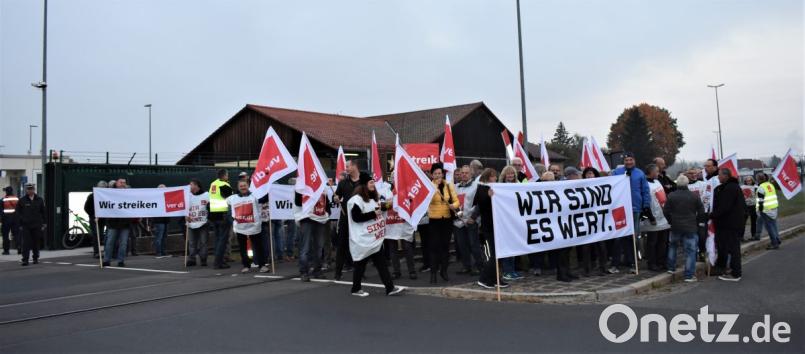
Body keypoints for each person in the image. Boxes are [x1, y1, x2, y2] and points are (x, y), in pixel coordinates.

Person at [347, 177, 404, 297]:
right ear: (364, 185)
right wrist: (373, 214)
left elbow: (379, 208)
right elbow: (356, 217)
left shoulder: (372, 199)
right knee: (360, 264)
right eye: (371, 182)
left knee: (381, 263)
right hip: (363, 239)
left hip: (374, 239)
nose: (373, 184)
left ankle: (390, 288)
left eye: (373, 182)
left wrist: (390, 204)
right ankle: (356, 289)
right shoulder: (356, 200)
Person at [611, 152, 651, 273]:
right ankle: (615, 264)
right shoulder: (617, 173)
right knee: (618, 237)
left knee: (633, 237)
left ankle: (633, 263)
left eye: (630, 160)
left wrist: (646, 206)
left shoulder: (640, 173)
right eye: (626, 160)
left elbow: (645, 191)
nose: (628, 162)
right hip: (620, 209)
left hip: (635, 209)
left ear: (634, 160)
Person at [663, 175, 705, 282]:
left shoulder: (671, 196)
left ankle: (671, 268)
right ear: (687, 184)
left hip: (675, 226)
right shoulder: (694, 196)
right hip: (690, 226)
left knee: (672, 246)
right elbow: (701, 211)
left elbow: (666, 211)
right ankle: (689, 275)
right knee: (690, 251)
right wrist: (699, 222)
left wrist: (670, 221)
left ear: (677, 184)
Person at [474, 168, 510, 289]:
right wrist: (487, 197)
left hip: (497, 225)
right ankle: (484, 278)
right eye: (493, 176)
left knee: (498, 254)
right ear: (488, 177)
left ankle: (495, 279)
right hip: (488, 227)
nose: (495, 178)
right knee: (492, 255)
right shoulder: (482, 189)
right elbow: (480, 204)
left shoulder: (495, 187)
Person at [427, 163, 460, 284]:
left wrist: (453, 205)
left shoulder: (448, 185)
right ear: (432, 175)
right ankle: (433, 272)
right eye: (435, 173)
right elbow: (427, 201)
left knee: (445, 246)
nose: (438, 175)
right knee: (434, 247)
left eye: (439, 173)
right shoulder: (429, 186)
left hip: (447, 219)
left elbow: (456, 201)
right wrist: (433, 188)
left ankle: (444, 270)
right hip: (434, 219)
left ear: (442, 174)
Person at [227, 179, 269, 273]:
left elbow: (265, 199)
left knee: (258, 246)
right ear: (238, 187)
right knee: (242, 247)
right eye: (241, 186)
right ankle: (246, 265)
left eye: (244, 185)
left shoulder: (255, 196)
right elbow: (228, 209)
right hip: (240, 227)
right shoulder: (232, 198)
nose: (243, 187)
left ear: (248, 186)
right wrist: (232, 219)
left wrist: (268, 189)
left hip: (254, 226)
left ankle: (262, 265)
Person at [710, 168, 745, 281]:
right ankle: (727, 268)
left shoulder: (730, 188)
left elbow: (724, 207)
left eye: (720, 175)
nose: (718, 177)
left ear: (726, 176)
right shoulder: (731, 187)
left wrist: (711, 215)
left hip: (731, 224)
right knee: (727, 247)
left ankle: (735, 273)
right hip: (731, 223)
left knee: (733, 248)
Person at [333, 160, 365, 280]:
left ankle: (360, 272)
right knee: (342, 245)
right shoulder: (342, 183)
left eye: (347, 166)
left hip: (360, 219)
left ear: (355, 167)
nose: (345, 168)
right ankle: (338, 272)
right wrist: (335, 198)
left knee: (360, 245)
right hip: (345, 218)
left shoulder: (364, 182)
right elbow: (336, 196)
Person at [294, 186, 331, 282]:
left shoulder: (322, 185)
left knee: (319, 246)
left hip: (320, 218)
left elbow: (327, 202)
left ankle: (317, 270)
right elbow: (298, 202)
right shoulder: (301, 184)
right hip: (307, 218)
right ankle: (304, 272)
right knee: (305, 247)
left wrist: (327, 212)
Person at [579, 167, 612, 275]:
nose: (589, 176)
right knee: (586, 247)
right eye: (587, 174)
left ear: (595, 175)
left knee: (601, 246)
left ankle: (603, 267)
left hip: (599, 220)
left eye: (591, 173)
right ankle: (587, 269)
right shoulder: (579, 187)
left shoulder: (600, 185)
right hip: (585, 220)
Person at [453, 165, 482, 275]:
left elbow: (479, 203)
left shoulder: (476, 186)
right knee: (462, 245)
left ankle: (480, 266)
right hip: (459, 221)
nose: (464, 174)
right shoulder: (455, 187)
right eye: (462, 173)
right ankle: (466, 266)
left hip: (471, 221)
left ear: (471, 174)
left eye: (466, 173)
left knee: (474, 245)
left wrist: (473, 218)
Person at [642, 164, 671, 272]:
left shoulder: (657, 181)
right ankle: (652, 263)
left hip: (663, 217)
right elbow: (645, 203)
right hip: (653, 218)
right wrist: (650, 217)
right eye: (657, 171)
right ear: (651, 172)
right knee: (652, 242)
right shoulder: (645, 185)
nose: (658, 173)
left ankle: (662, 261)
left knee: (663, 242)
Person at [103, 179, 132, 267]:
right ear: (116, 183)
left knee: (123, 243)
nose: (123, 184)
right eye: (121, 182)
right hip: (113, 222)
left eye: (124, 182)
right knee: (110, 242)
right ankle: (107, 259)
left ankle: (120, 260)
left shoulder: (129, 194)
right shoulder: (110, 193)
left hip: (125, 222)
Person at [209, 169, 233, 269]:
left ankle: (218, 260)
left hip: (214, 215)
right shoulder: (224, 185)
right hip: (223, 215)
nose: (228, 177)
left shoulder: (213, 184)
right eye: (227, 175)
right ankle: (219, 262)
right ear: (224, 176)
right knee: (223, 241)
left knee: (217, 240)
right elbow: (231, 200)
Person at [16, 183, 46, 266]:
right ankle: (25, 260)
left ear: (34, 190)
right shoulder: (22, 200)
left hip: (37, 224)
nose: (30, 190)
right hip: (26, 225)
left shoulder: (39, 199)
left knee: (36, 242)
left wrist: (44, 223)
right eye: (28, 189)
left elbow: (43, 212)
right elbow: (18, 213)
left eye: (31, 189)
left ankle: (35, 258)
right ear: (26, 190)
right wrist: (20, 224)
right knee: (26, 243)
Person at [186, 179, 209, 267]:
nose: (189, 186)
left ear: (196, 185)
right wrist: (185, 215)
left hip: (203, 222)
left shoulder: (206, 195)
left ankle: (203, 259)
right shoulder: (188, 195)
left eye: (190, 184)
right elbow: (184, 207)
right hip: (191, 222)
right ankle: (192, 259)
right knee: (192, 242)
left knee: (203, 242)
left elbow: (211, 207)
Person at [755, 173, 781, 249]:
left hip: (766, 210)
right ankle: (777, 239)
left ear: (758, 179)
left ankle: (774, 243)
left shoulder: (761, 188)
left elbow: (760, 201)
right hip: (774, 208)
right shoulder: (770, 185)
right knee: (774, 226)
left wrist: (759, 210)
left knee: (769, 227)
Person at [83, 180, 108, 258]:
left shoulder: (105, 196)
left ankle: (100, 251)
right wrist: (92, 215)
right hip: (95, 218)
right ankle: (96, 252)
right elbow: (86, 207)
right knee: (96, 234)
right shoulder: (92, 196)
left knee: (100, 234)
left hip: (102, 218)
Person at [151, 184, 171, 257]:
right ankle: (158, 252)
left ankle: (163, 251)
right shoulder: (156, 198)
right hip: (158, 221)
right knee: (159, 237)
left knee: (164, 237)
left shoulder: (167, 197)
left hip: (166, 220)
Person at [740, 176, 759, 242]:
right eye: (747, 180)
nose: (748, 182)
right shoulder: (742, 187)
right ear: (745, 181)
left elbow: (758, 196)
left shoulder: (756, 187)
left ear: (752, 181)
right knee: (742, 222)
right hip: (745, 207)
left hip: (753, 206)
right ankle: (741, 237)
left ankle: (753, 235)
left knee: (753, 222)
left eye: (750, 180)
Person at [2, 186, 20, 255]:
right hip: (15, 219)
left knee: (5, 235)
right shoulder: (17, 199)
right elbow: (20, 210)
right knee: (16, 234)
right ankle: (19, 248)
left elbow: (1, 211)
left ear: (6, 192)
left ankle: (6, 250)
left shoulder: (3, 199)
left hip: (6, 219)